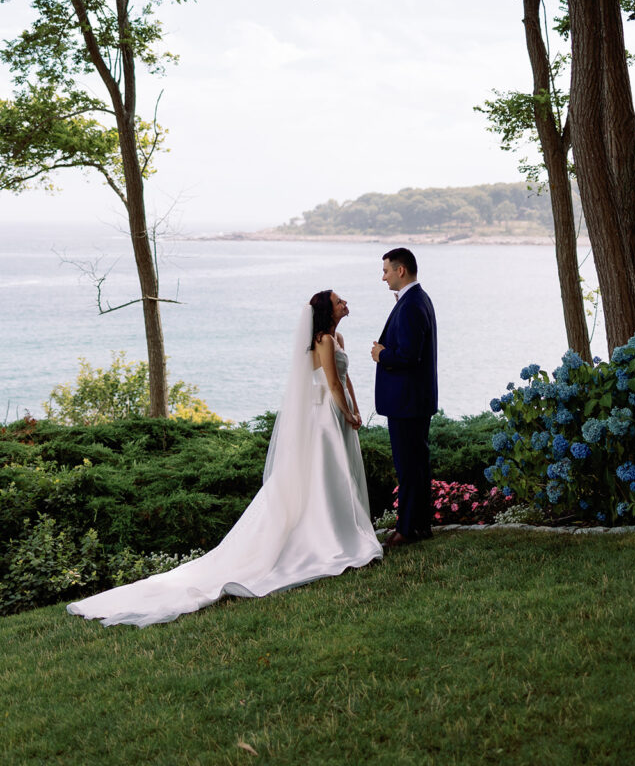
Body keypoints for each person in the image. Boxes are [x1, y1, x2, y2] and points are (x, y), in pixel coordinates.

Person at [67, 291, 382, 627]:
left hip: (340, 412)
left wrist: (356, 408)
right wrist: (346, 412)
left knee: (339, 474)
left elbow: (345, 379)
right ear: (326, 311)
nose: (344, 302)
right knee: (324, 475)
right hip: (325, 417)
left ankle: (343, 528)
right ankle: (327, 537)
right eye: (338, 300)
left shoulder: (338, 337)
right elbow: (331, 383)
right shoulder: (321, 340)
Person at [371, 248, 438, 548]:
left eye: (386, 270)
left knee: (408, 468)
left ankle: (407, 529)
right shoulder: (417, 299)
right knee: (417, 465)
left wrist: (382, 354)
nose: (382, 276)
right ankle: (420, 525)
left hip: (407, 401)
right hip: (414, 399)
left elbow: (410, 356)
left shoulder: (411, 304)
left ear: (401, 270)